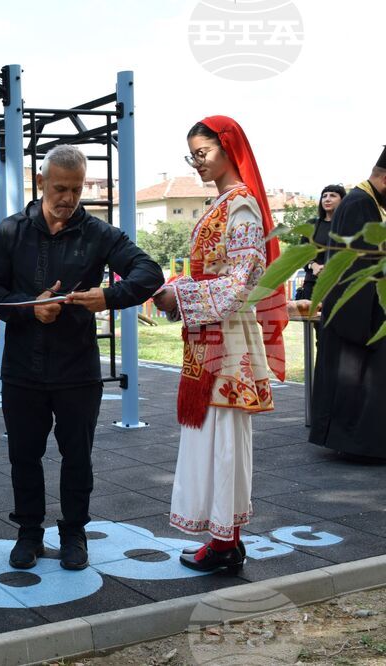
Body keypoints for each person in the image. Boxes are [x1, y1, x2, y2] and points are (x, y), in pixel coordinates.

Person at [0, 145, 164, 571]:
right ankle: (28, 533)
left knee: (76, 455)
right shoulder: (10, 231)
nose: (68, 198)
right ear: (41, 183)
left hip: (77, 368)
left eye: (77, 190)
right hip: (23, 368)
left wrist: (109, 296)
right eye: (60, 188)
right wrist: (30, 307)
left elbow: (148, 272)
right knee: (23, 455)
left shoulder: (98, 233)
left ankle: (74, 532)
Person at [154, 116, 287, 572]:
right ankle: (222, 538)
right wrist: (183, 290)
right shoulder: (226, 204)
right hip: (210, 332)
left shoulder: (241, 206)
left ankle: (226, 543)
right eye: (192, 155)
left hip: (226, 338)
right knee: (210, 437)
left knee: (223, 438)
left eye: (203, 153)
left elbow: (240, 281)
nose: (197, 164)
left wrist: (181, 293)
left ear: (228, 147)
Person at [308, 148, 386, 460]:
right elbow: (361, 267)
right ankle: (361, 446)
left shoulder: (364, 201)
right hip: (358, 312)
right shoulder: (359, 205)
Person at [295, 184, 346, 302]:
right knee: (312, 319)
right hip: (313, 284)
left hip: (339, 284)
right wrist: (314, 265)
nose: (327, 199)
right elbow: (301, 255)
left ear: (343, 200)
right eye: (324, 196)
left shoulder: (349, 226)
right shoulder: (311, 225)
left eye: (333, 195)